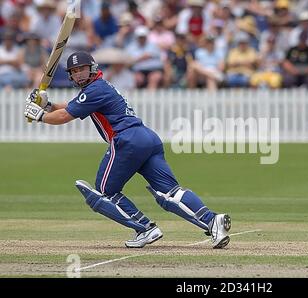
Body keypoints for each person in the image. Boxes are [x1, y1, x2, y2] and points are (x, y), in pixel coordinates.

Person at [23, 51, 231, 249]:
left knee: (105, 192)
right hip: (147, 138)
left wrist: (39, 115)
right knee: (170, 192)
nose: (79, 74)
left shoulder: (94, 90)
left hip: (126, 140)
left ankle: (144, 228)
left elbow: (64, 117)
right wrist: (47, 105)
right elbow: (68, 106)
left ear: (92, 68)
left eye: (82, 69)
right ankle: (213, 221)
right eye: (74, 71)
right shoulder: (99, 87)